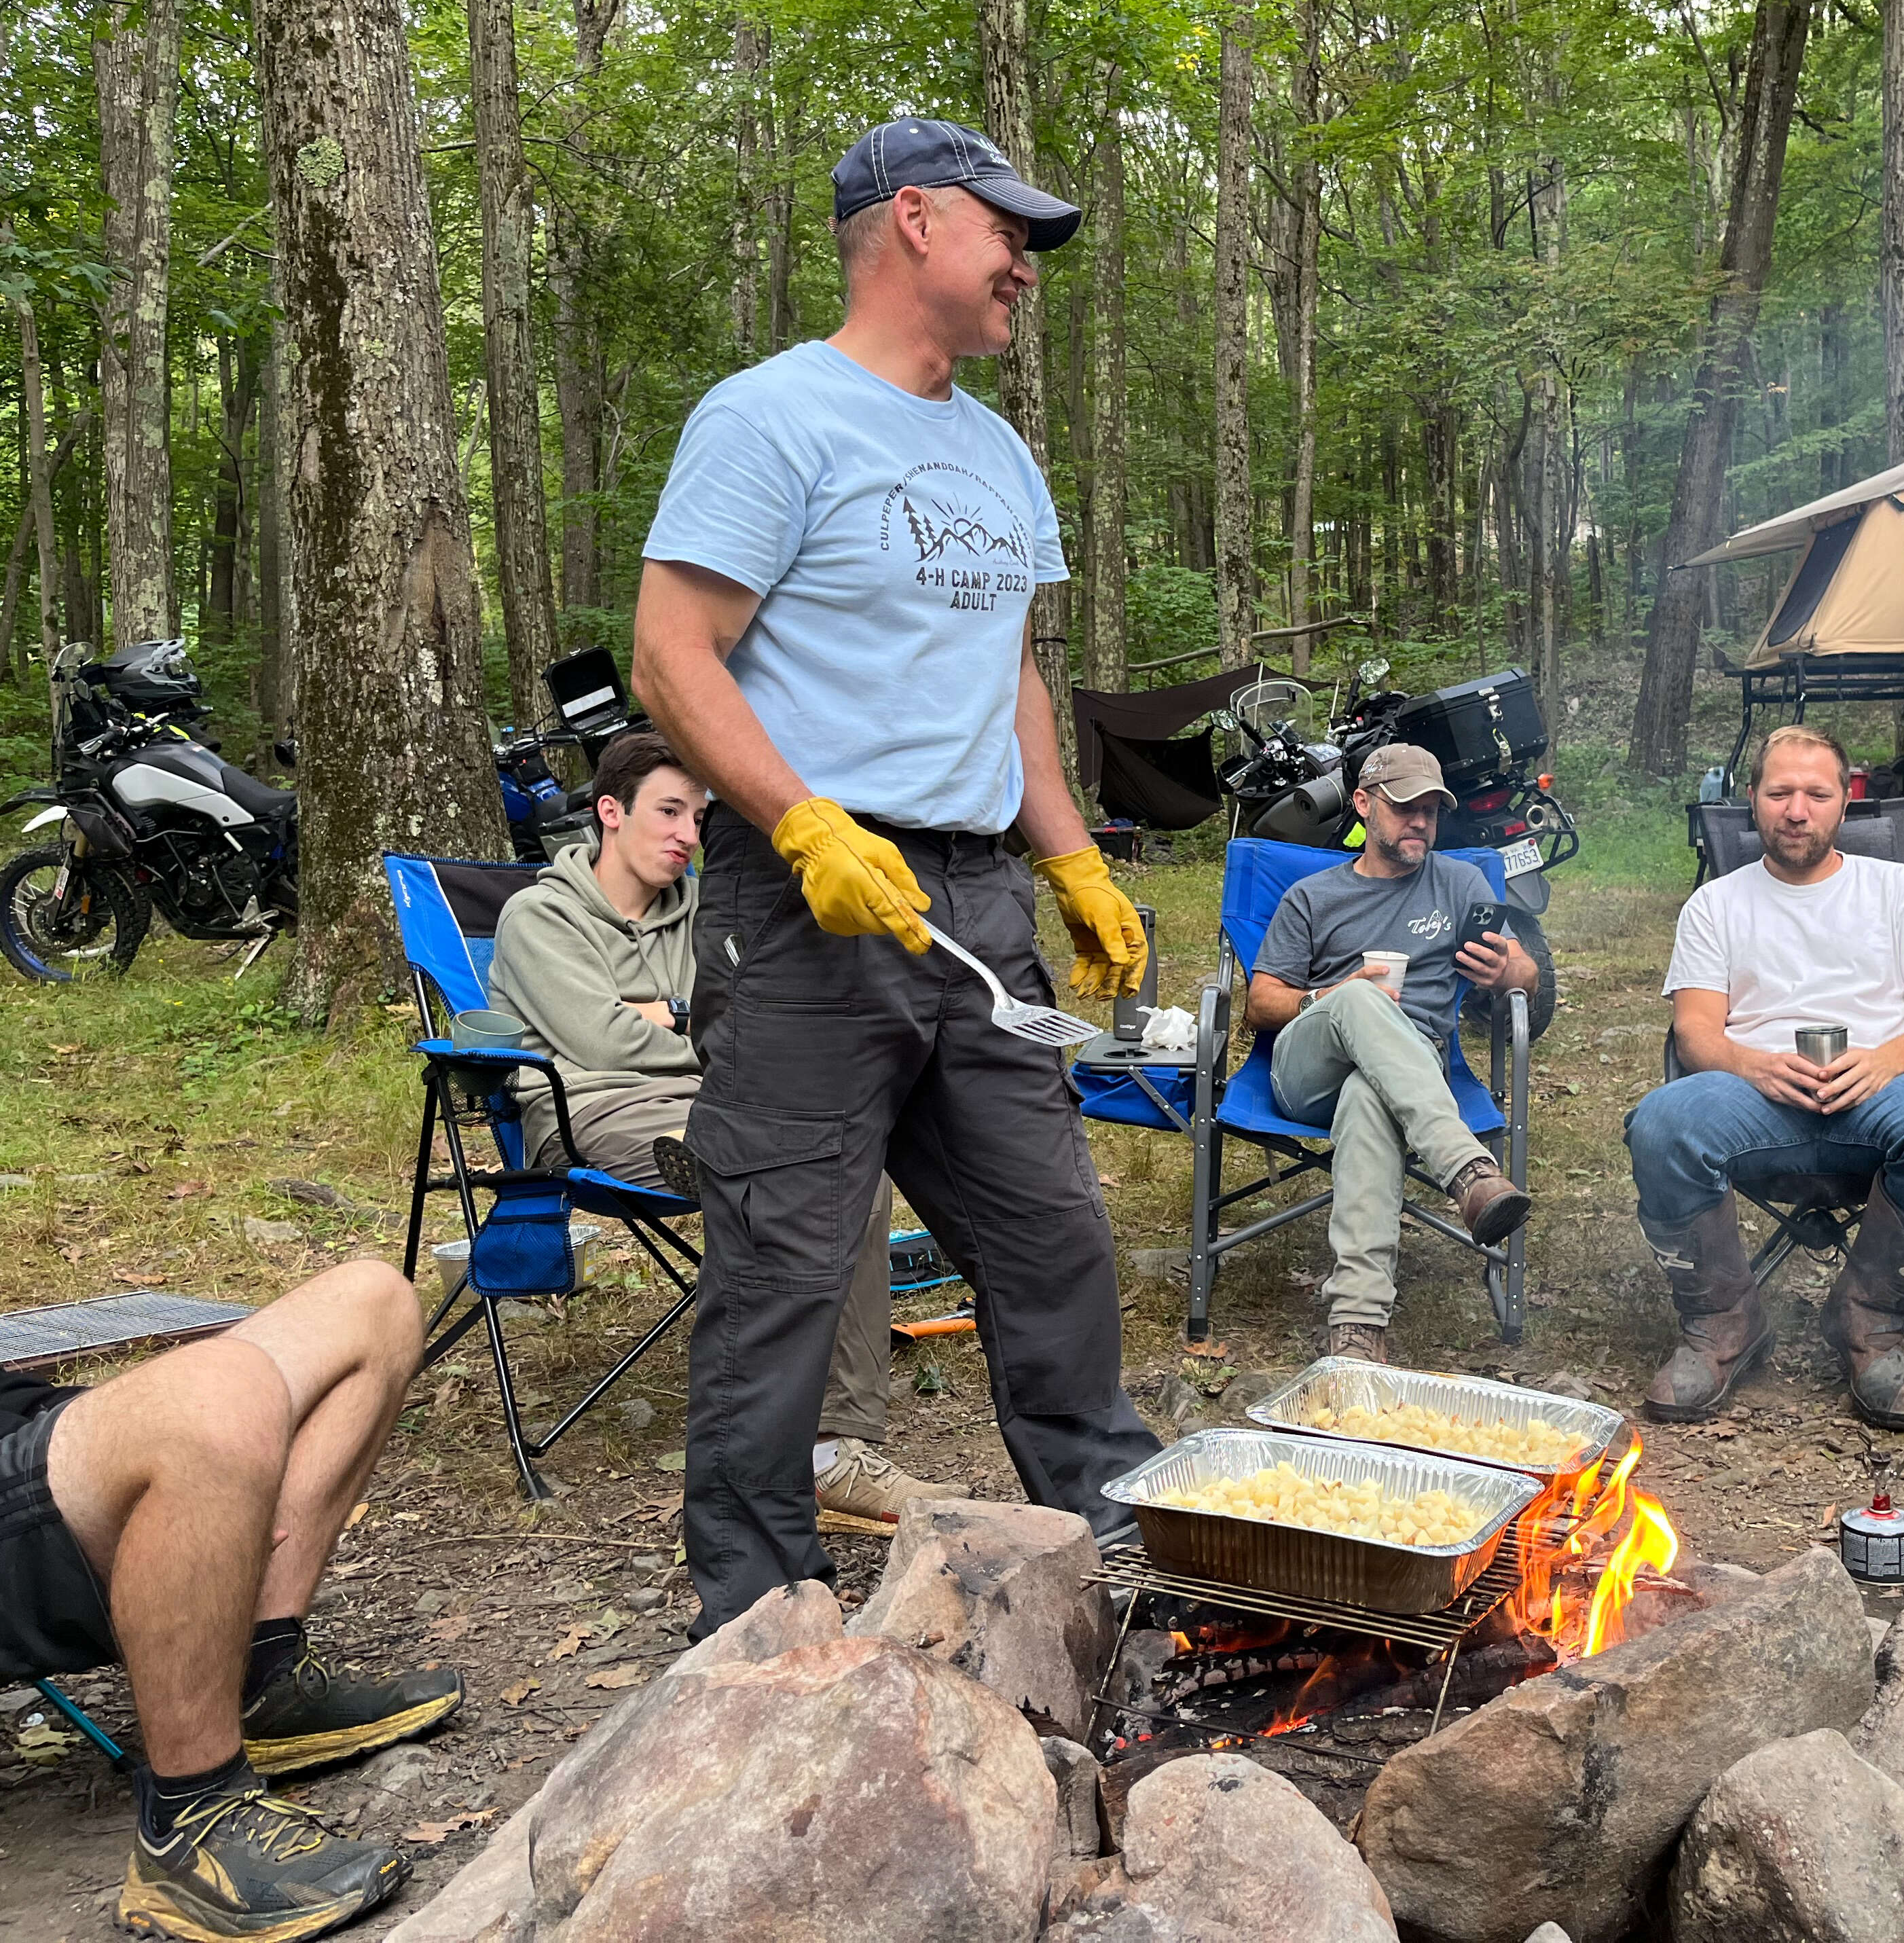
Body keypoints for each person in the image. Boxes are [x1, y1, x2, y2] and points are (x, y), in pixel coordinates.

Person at [630, 113, 1162, 1639]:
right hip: (807, 912)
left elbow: (1012, 679)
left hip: (973, 903)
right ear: (917, 223)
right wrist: (801, 823)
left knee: (1050, 1233)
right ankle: (757, 1612)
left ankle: (1108, 1537)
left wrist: (1067, 859)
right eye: (1010, 235)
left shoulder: (996, 451)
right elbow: (675, 650)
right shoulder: (772, 418)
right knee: (787, 1264)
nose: (1027, 269)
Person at [485, 726, 940, 1535]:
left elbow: (741, 1019)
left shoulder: (705, 910)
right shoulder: (539, 917)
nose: (688, 837)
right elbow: (599, 1042)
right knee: (781, 1160)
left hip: (718, 1102)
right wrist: (692, 1024)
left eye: (699, 818)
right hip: (587, 1112)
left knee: (847, 1166)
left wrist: (675, 1016)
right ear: (610, 813)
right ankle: (729, 1174)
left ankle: (838, 1446)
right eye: (669, 813)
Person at [0, 1261, 461, 1942]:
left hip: (33, 1420)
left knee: (374, 1303)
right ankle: (189, 1823)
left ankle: (257, 1671)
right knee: (215, 1398)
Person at [1623, 726, 1904, 1430]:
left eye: (1816, 794)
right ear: (1753, 802)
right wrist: (1750, 1064)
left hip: (1883, 1095)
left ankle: (1871, 1320)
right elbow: (1697, 1031)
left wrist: (1887, 1060)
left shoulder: (1899, 892)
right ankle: (1724, 1324)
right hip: (1754, 1100)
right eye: (1780, 792)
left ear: (1845, 802)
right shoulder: (1716, 904)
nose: (1797, 810)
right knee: (1663, 1121)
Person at [1245, 743, 1536, 1361]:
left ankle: (1358, 1324)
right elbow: (1260, 1002)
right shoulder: (1313, 896)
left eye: (1431, 810)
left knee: (1369, 1094)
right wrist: (1329, 996)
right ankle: (1468, 1172)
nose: (1421, 823)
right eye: (1406, 808)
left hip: (1407, 1072)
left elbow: (1528, 980)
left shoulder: (1459, 883)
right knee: (1359, 1003)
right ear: (1363, 805)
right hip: (1308, 1070)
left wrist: (1504, 969)